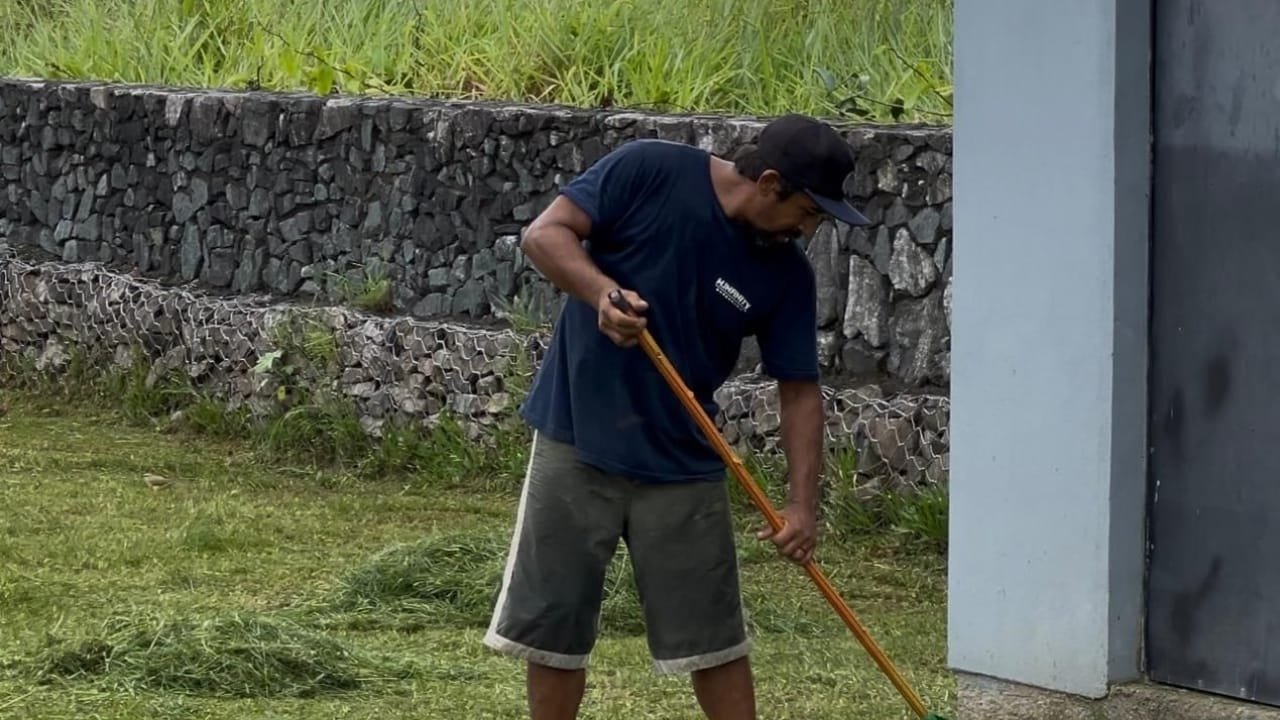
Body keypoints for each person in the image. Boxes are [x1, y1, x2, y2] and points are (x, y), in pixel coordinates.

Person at [483, 114, 871, 720]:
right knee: (554, 630)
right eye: (807, 212)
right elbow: (545, 235)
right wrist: (600, 293)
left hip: (684, 459)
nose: (807, 229)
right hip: (578, 437)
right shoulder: (649, 169)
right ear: (769, 183)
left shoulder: (786, 274)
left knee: (715, 640)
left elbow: (799, 390)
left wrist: (802, 507)